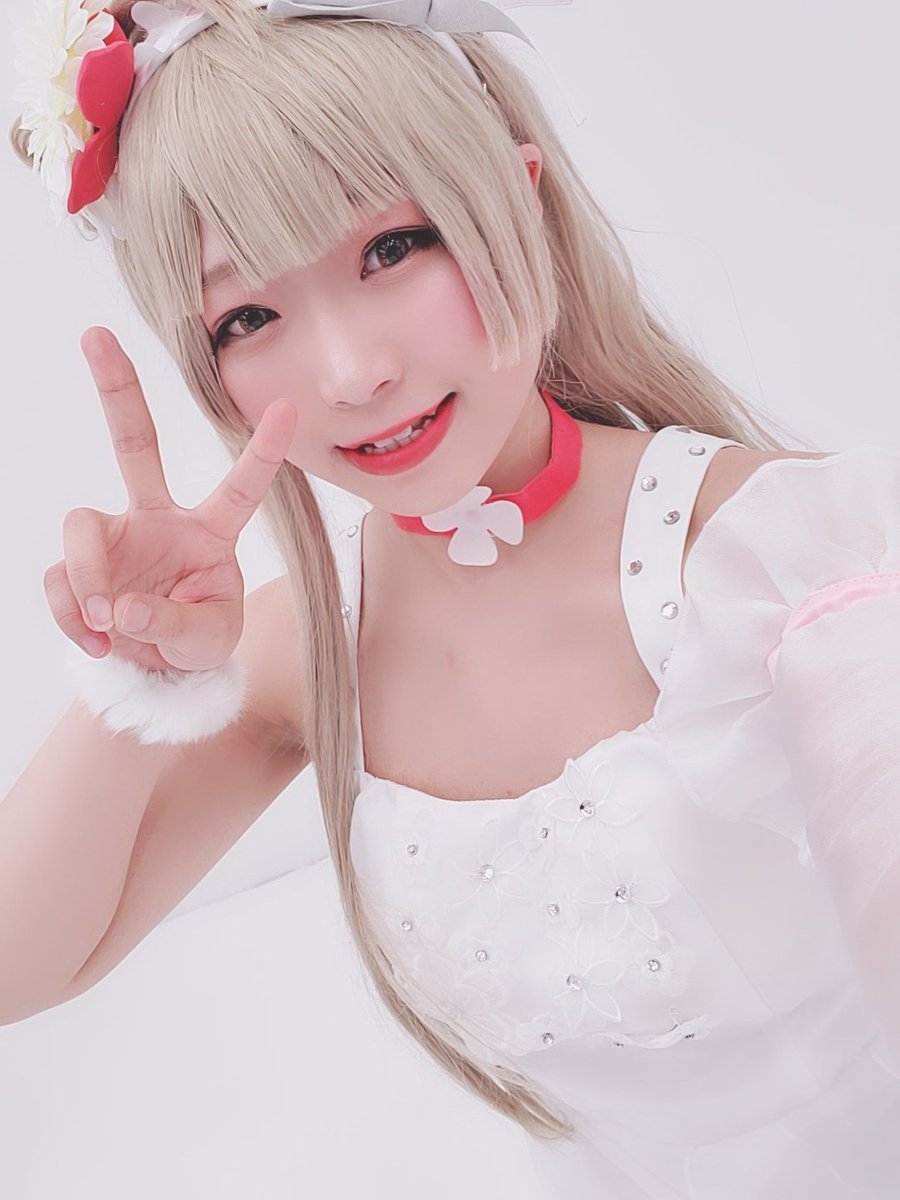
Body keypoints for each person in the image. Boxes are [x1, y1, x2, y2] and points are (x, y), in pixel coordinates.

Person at [6, 1, 900, 1194]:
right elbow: (19, 968)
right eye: (249, 316)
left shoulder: (780, 555)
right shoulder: (308, 649)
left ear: (519, 199)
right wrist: (136, 668)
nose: (354, 374)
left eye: (392, 249)